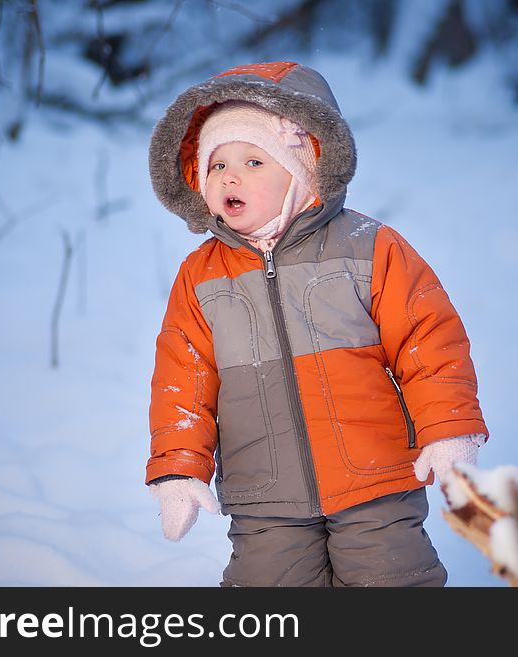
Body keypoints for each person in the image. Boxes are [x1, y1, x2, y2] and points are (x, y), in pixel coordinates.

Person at [146, 61, 488, 587]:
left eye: (253, 161)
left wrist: (447, 428)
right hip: (264, 494)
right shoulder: (200, 277)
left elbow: (429, 342)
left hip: (377, 483)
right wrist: (179, 466)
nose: (229, 176)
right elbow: (181, 382)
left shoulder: (370, 248)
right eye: (217, 165)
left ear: (303, 167)